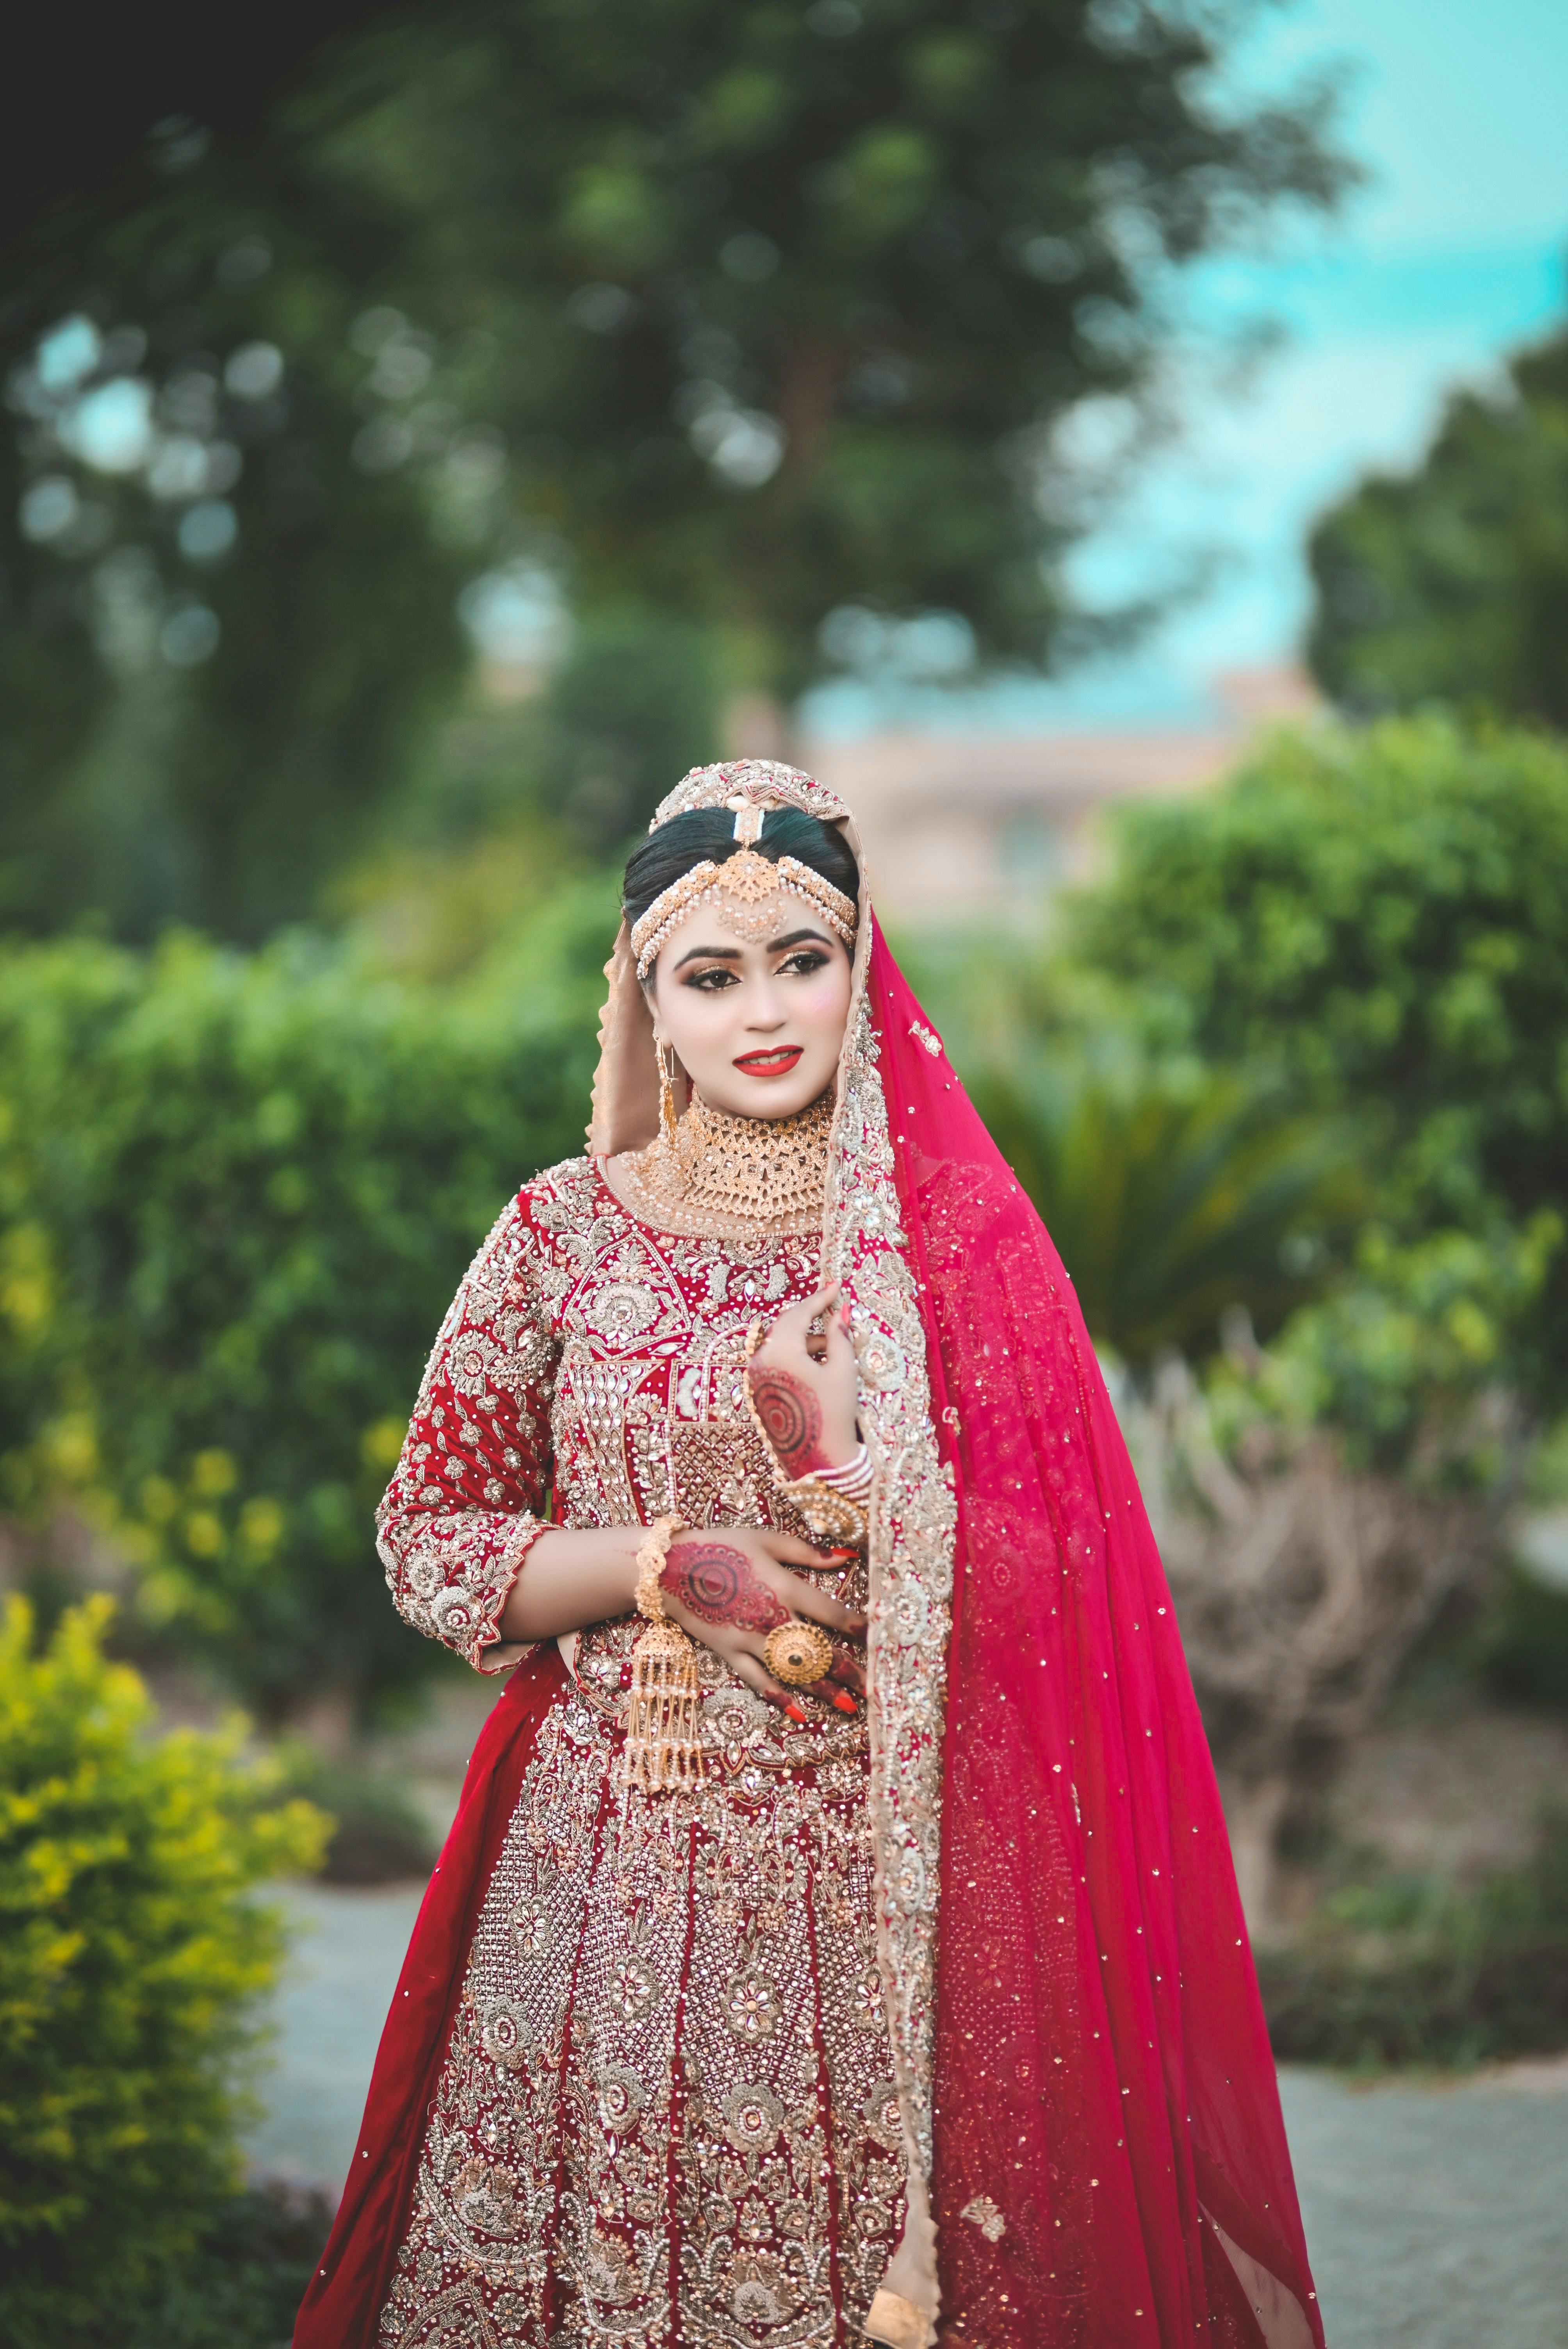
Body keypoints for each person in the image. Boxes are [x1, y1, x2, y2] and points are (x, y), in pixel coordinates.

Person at [295, 759, 1324, 2349]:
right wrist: (668, 1557)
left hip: (876, 1890)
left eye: (803, 959)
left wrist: (849, 1478)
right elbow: (434, 1537)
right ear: (648, 997)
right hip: (595, 1877)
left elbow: (1075, 1582)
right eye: (711, 974)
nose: (762, 1009)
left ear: (861, 969)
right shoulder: (558, 1230)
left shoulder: (948, 1250)